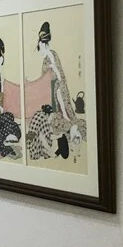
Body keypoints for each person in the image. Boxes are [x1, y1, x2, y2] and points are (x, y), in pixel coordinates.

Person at [26, 22, 86, 160]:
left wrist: (57, 83)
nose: (40, 49)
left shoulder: (51, 55)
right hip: (51, 89)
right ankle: (67, 135)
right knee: (54, 117)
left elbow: (58, 74)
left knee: (62, 114)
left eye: (41, 46)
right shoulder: (47, 57)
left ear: (43, 44)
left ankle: (72, 129)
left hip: (56, 88)